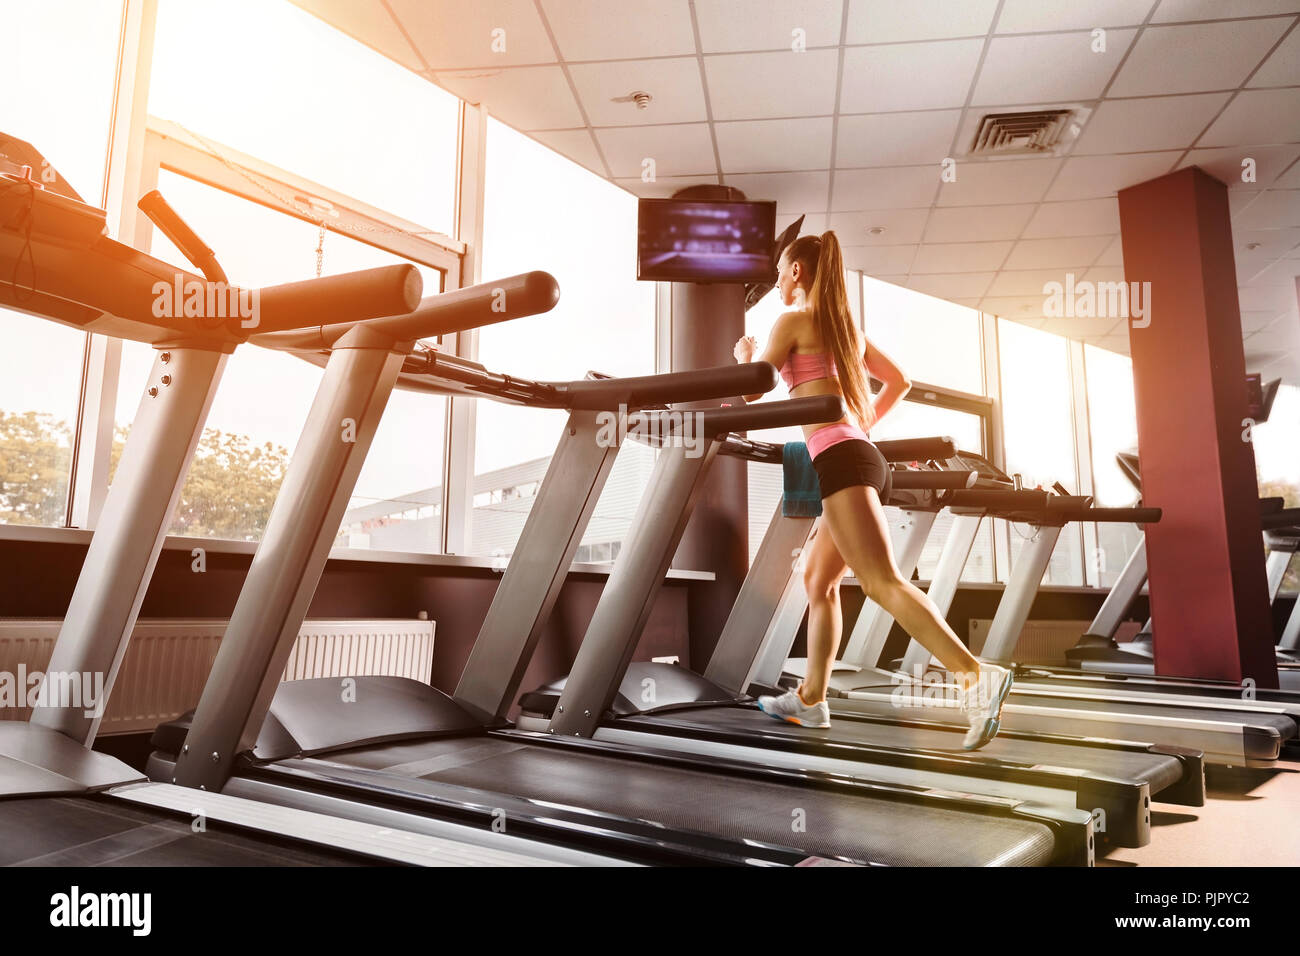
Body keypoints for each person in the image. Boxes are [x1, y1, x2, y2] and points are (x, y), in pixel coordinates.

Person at [733, 231, 1012, 750]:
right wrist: (860, 425)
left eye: (780, 270)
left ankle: (976, 675)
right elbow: (899, 381)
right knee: (819, 581)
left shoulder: (792, 322)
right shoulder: (846, 330)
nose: (776, 280)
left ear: (797, 271)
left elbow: (754, 386)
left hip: (841, 459)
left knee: (882, 583)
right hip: (857, 453)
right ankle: (812, 699)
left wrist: (745, 353)